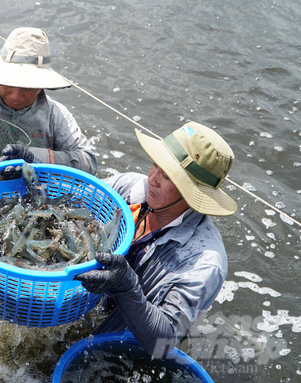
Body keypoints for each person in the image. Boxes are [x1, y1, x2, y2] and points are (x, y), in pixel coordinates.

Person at [74, 122, 235, 358]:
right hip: (77, 304)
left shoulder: (203, 261)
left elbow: (164, 340)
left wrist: (126, 287)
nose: (153, 179)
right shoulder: (128, 189)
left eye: (168, 176)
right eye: (155, 165)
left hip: (120, 348)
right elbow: (69, 199)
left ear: (194, 193)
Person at [0, 27, 97, 185]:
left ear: (42, 84)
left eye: (27, 87)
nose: (15, 96)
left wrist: (35, 157)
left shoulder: (56, 115)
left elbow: (88, 163)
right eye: (8, 84)